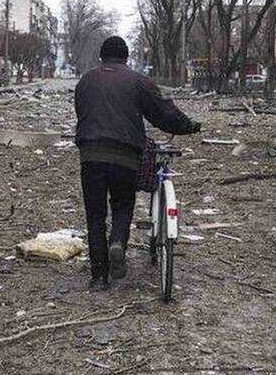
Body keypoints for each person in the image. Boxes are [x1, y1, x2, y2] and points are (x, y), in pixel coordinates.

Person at [74, 36, 201, 290]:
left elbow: (82, 112)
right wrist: (189, 126)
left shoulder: (86, 81)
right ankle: (117, 243)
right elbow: (162, 112)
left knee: (95, 214)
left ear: (101, 57)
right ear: (126, 57)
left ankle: (98, 275)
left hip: (91, 155)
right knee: (122, 204)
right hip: (125, 156)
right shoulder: (137, 81)